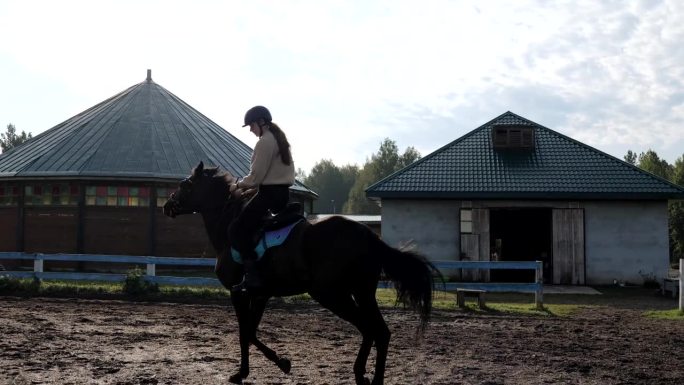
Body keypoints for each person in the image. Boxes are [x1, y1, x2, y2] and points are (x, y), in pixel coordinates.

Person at [229, 105, 295, 292]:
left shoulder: (264, 142)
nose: (250, 129)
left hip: (269, 196)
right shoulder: (278, 139)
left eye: (251, 125)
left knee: (236, 228)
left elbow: (255, 177)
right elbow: (268, 177)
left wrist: (238, 185)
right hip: (280, 194)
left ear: (261, 122)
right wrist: (253, 191)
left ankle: (252, 276)